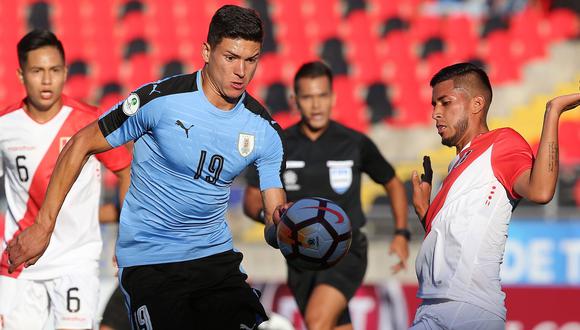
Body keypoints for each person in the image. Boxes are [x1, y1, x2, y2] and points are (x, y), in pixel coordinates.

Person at [6, 5, 288, 329]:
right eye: (231, 57)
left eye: (250, 60)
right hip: (150, 262)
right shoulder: (160, 101)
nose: (241, 71)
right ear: (207, 52)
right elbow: (81, 143)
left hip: (214, 261)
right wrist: (44, 226)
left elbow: (273, 218)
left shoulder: (265, 131)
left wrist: (287, 229)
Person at [410, 62, 580, 329]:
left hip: (465, 311)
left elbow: (541, 190)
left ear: (476, 104)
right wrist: (425, 212)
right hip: (435, 307)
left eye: (445, 103)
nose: (435, 113)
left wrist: (553, 111)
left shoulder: (501, 143)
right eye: (434, 105)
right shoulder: (458, 163)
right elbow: (452, 243)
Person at [243, 61, 410, 330]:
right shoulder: (280, 144)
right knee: (336, 325)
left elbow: (392, 182)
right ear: (295, 100)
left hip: (345, 248)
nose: (316, 105)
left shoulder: (354, 142)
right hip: (299, 255)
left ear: (333, 97)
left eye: (322, 96)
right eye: (308, 97)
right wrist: (276, 219)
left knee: (317, 321)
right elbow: (251, 199)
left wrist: (402, 233)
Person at [0, 30, 132, 330]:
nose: (47, 80)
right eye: (37, 71)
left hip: (76, 261)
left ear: (65, 72)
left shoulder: (89, 122)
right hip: (18, 262)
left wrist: (127, 238)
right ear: (21, 75)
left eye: (54, 70)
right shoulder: (4, 126)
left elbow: (125, 171)